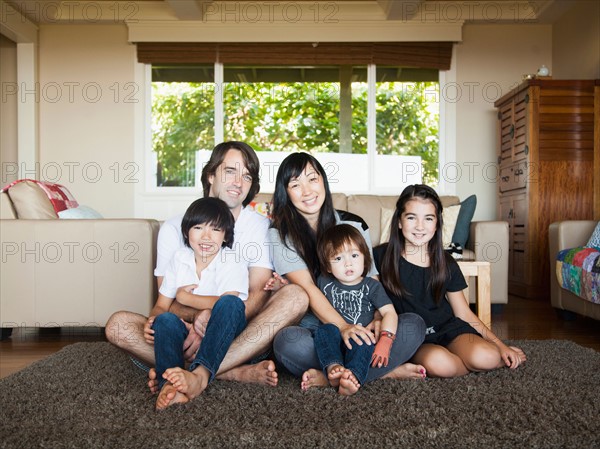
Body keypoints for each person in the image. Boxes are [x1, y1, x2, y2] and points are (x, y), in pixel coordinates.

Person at [105, 141, 308, 389]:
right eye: (230, 171)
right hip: (185, 334)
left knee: (296, 296)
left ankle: (199, 370)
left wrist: (215, 321)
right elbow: (167, 303)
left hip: (241, 334)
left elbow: (257, 294)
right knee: (117, 326)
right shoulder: (173, 228)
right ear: (211, 175)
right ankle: (231, 372)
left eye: (246, 175)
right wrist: (196, 318)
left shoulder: (258, 226)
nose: (238, 182)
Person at [267, 152, 427, 389]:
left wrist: (376, 318)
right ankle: (380, 372)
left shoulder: (353, 224)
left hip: (364, 328)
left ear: (323, 181)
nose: (307, 190)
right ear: (286, 192)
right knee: (287, 342)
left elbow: (370, 278)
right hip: (320, 330)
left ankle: (329, 376)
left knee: (414, 325)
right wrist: (343, 327)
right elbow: (308, 288)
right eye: (295, 184)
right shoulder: (280, 233)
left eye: (312, 179)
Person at [375, 184, 527, 378]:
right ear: (399, 221)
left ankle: (481, 359)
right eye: (411, 217)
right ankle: (466, 364)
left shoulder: (445, 262)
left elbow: (463, 313)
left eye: (428, 219)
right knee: (440, 364)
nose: (420, 226)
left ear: (437, 224)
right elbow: (373, 302)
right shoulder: (379, 256)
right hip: (416, 338)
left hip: (448, 328)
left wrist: (501, 345)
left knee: (487, 356)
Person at [150, 197, 248, 409]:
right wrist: (152, 321)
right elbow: (161, 305)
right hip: (188, 332)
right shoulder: (179, 258)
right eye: (198, 227)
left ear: (225, 236)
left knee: (230, 304)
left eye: (215, 229)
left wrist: (186, 298)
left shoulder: (231, 260)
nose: (206, 236)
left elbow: (227, 303)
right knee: (165, 320)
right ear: (186, 232)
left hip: (224, 331)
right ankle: (170, 385)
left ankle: (200, 376)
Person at [310, 224, 403, 395]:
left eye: (354, 255)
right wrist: (280, 285)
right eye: (338, 258)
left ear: (365, 258)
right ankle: (334, 367)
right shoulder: (323, 281)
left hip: (360, 337)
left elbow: (389, 312)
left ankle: (353, 376)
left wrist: (386, 340)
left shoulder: (372, 286)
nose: (348, 263)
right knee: (324, 331)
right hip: (335, 337)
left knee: (365, 341)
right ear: (328, 266)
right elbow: (307, 295)